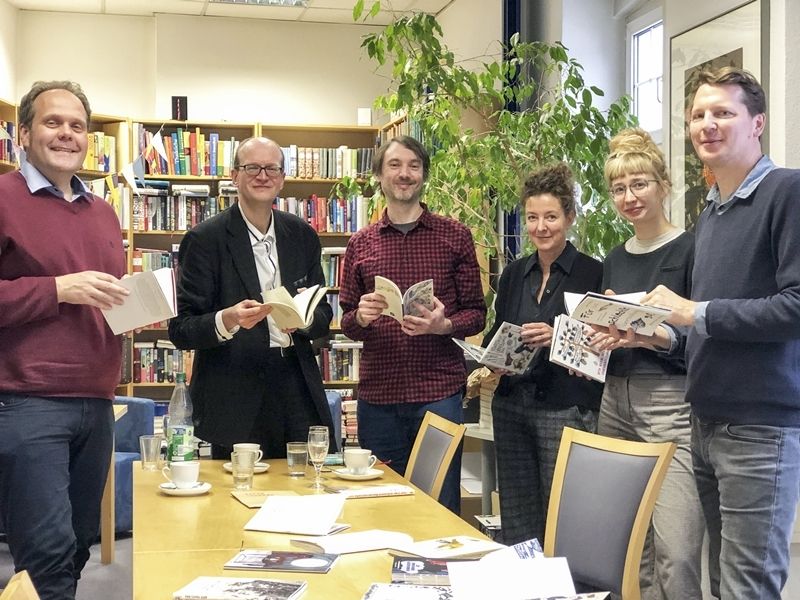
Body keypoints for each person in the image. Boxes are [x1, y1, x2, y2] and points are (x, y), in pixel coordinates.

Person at [637, 67, 800, 599]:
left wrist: (692, 312)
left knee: (747, 587)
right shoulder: (709, 212)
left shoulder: (788, 192)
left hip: (759, 428)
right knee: (719, 581)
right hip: (705, 423)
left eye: (723, 113)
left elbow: (794, 308)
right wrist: (655, 335)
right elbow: (701, 326)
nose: (707, 124)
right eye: (698, 115)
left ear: (758, 123)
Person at [0, 81, 129, 600]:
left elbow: (100, 299)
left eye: (78, 126)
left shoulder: (102, 211)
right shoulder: (4, 199)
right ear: (24, 132)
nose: (67, 135)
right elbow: (62, 291)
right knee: (47, 551)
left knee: (77, 545)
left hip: (97, 402)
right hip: (28, 401)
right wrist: (57, 289)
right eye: (53, 123)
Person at [339, 135, 486, 514]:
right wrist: (362, 317)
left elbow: (476, 313)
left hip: (439, 393)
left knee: (440, 504)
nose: (404, 174)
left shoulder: (455, 236)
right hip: (378, 397)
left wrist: (443, 325)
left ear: (424, 175)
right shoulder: (360, 243)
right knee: (381, 503)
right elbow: (347, 322)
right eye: (395, 165)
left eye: (414, 166)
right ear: (379, 176)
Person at [168, 136, 334, 460]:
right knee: (236, 496)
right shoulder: (204, 240)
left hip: (295, 386)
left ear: (283, 178)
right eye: (252, 167)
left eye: (272, 168)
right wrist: (225, 320)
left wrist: (305, 319)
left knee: (303, 488)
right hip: (233, 390)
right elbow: (181, 329)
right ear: (234, 176)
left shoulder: (302, 236)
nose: (263, 176)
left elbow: (324, 315)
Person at [595, 128, 703, 599]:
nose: (629, 197)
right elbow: (614, 332)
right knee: (624, 545)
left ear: (662, 185)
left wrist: (654, 335)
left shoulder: (691, 248)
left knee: (675, 552)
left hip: (670, 404)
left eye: (639, 184)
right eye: (619, 189)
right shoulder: (615, 258)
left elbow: (698, 334)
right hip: (613, 400)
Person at [482, 162, 603, 545]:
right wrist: (490, 355)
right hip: (511, 404)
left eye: (550, 216)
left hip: (565, 405)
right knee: (517, 513)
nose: (540, 227)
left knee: (563, 511)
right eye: (532, 217)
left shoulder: (593, 273)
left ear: (569, 216)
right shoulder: (515, 273)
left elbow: (602, 344)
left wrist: (558, 335)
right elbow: (497, 331)